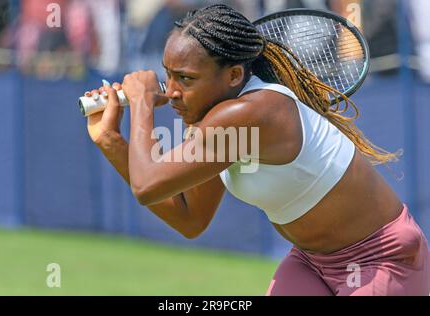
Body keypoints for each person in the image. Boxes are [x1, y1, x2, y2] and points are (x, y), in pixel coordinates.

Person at [83, 4, 430, 296]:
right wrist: (112, 142)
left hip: (381, 260)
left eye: (186, 79)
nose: (171, 90)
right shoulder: (215, 120)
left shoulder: (252, 113)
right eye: (168, 76)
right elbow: (190, 218)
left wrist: (143, 102)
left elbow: (147, 187)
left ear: (234, 75)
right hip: (311, 262)